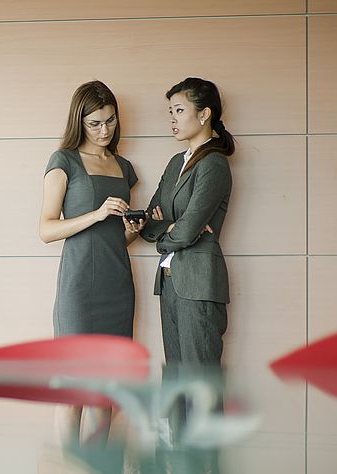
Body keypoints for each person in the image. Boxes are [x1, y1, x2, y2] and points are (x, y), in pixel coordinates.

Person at [39, 80, 145, 444]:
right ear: (79, 121)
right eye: (95, 123)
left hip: (118, 286)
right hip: (79, 288)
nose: (104, 131)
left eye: (111, 121)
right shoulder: (63, 161)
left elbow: (118, 238)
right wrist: (97, 214)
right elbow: (46, 229)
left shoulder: (124, 167)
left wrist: (132, 229)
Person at [140, 77, 236, 369]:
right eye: (171, 112)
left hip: (199, 284)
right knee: (176, 377)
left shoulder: (214, 163)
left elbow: (187, 230)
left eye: (179, 110)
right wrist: (170, 228)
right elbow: (147, 222)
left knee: (199, 379)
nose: (173, 118)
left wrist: (175, 229)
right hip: (169, 283)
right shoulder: (174, 163)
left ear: (204, 114)